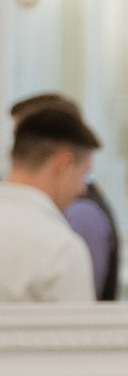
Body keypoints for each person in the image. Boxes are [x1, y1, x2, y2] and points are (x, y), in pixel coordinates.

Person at [0, 94, 101, 303]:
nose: (82, 189)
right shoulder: (61, 250)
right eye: (83, 174)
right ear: (63, 164)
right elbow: (75, 335)